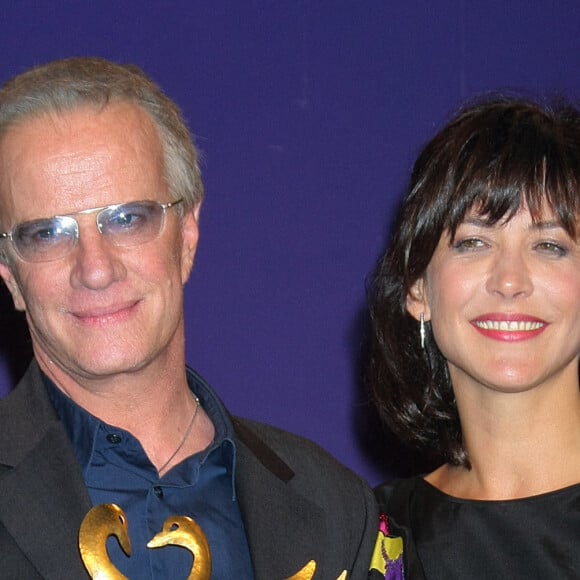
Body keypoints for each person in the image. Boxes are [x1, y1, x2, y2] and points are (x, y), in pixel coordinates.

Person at [0, 57, 377, 580]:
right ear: (9, 273)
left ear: (188, 236)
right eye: (48, 233)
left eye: (126, 219)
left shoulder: (337, 508)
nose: (95, 269)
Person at [366, 96, 580, 579]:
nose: (510, 280)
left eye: (549, 246)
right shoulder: (376, 539)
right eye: (473, 243)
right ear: (417, 289)